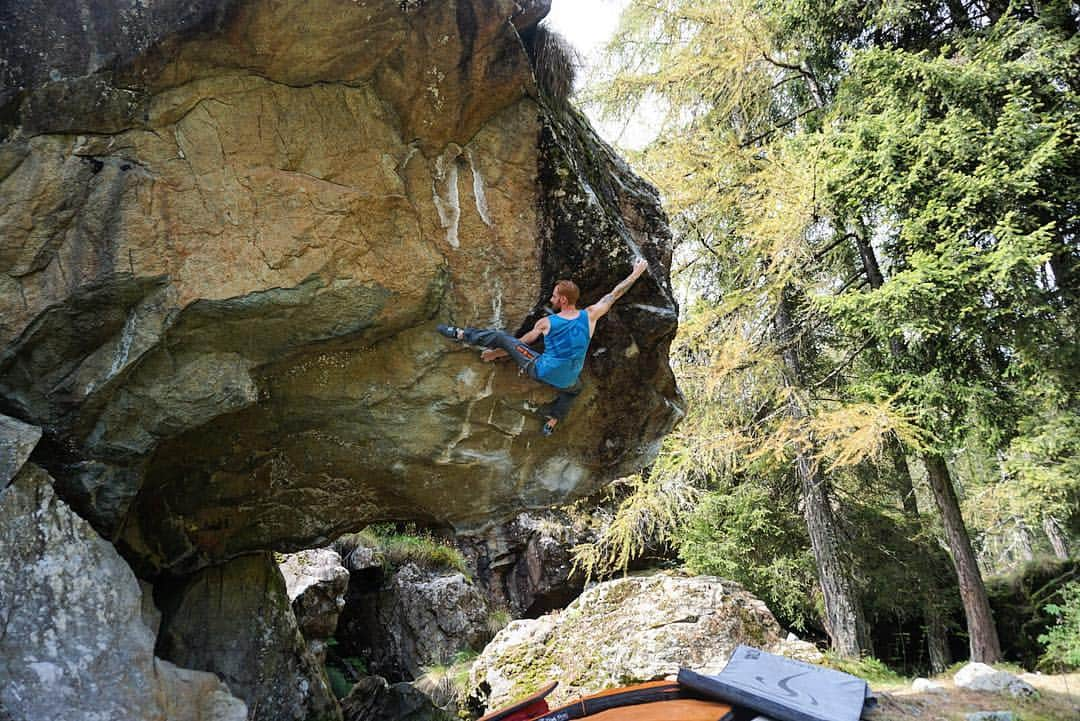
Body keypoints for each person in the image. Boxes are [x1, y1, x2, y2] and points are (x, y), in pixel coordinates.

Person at [437, 258, 649, 435]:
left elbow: (521, 344)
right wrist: (637, 272)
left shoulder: (547, 323)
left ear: (563, 300)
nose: (551, 298)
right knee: (575, 391)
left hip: (540, 370)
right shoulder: (592, 315)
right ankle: (553, 421)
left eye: (555, 295)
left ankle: (462, 334)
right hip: (568, 380)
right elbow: (615, 293)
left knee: (502, 338)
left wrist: (496, 354)